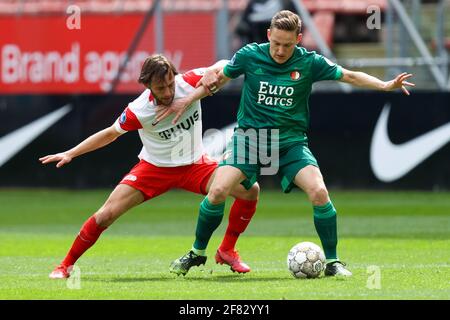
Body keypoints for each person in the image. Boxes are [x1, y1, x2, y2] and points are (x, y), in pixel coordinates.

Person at [157, 10, 415, 276]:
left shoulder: (309, 63)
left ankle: (333, 262)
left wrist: (384, 85)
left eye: (287, 45)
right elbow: (219, 78)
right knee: (218, 191)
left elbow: (348, 76)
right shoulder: (249, 55)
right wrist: (187, 100)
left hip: (290, 142)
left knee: (319, 193)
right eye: (276, 43)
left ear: (299, 39)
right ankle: (197, 253)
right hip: (250, 140)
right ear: (269, 35)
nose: (280, 50)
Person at [40, 54, 260, 279]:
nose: (167, 92)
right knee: (105, 215)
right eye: (160, 88)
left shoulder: (190, 82)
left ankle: (226, 250)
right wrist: (71, 153)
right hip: (154, 169)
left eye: (170, 84)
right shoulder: (140, 109)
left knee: (250, 190)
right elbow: (110, 134)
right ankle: (65, 266)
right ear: (147, 85)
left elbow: (226, 65)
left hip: (196, 165)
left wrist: (215, 71)